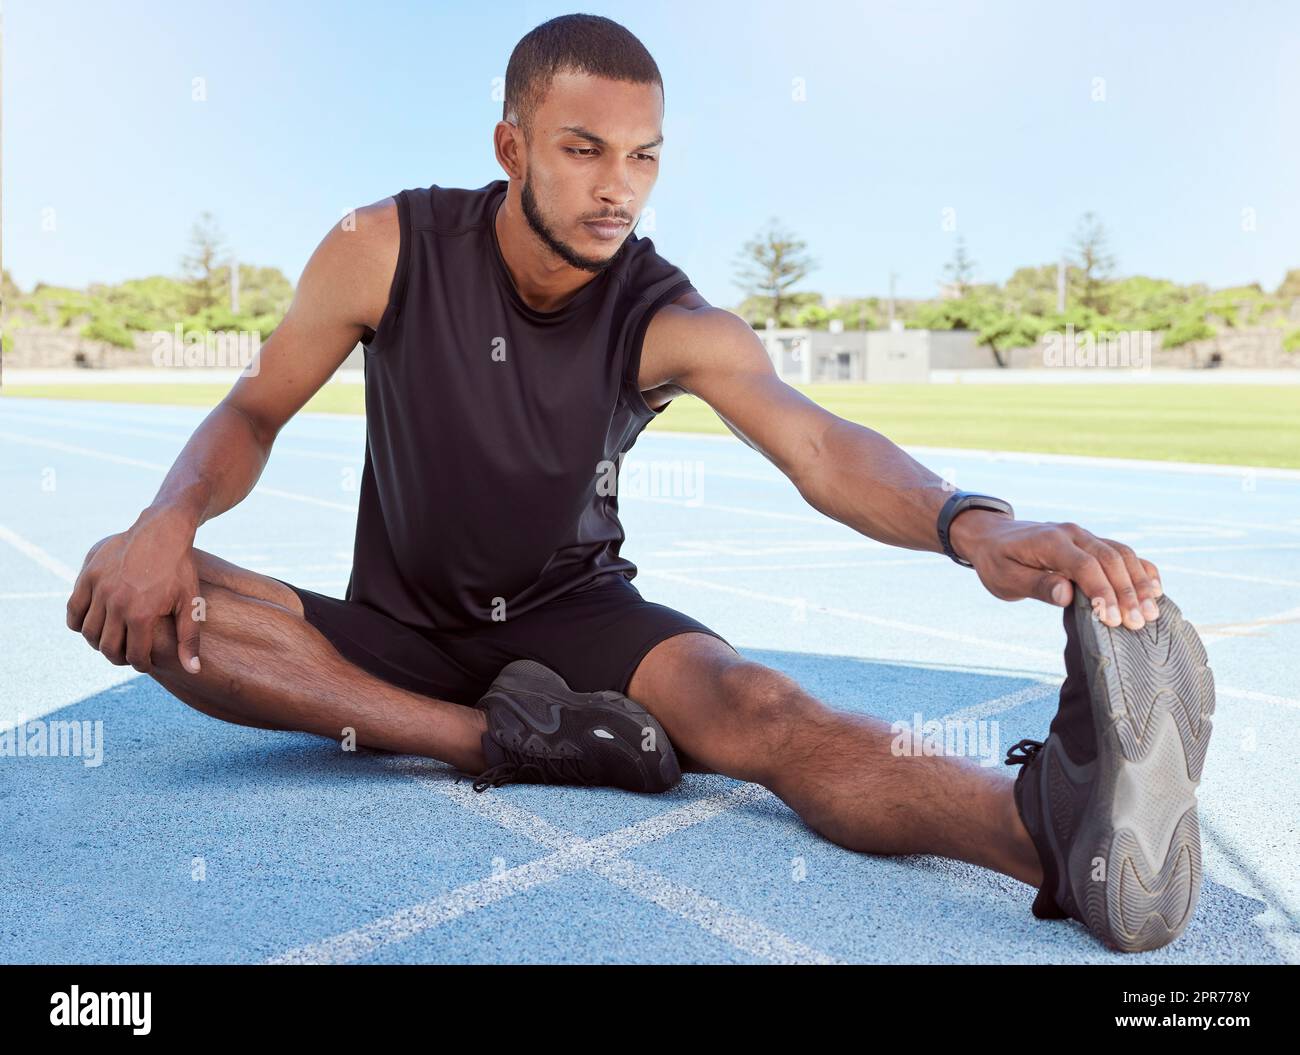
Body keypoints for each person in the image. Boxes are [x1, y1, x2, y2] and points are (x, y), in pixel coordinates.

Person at [65, 14, 1214, 953]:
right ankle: (492, 738)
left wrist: (973, 525)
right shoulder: (385, 246)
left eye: (644, 154)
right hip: (394, 625)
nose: (619, 187)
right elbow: (253, 408)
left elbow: (815, 444)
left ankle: (1053, 836)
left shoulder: (666, 314)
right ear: (510, 148)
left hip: (580, 613)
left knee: (764, 707)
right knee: (140, 595)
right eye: (583, 149)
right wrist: (165, 518)